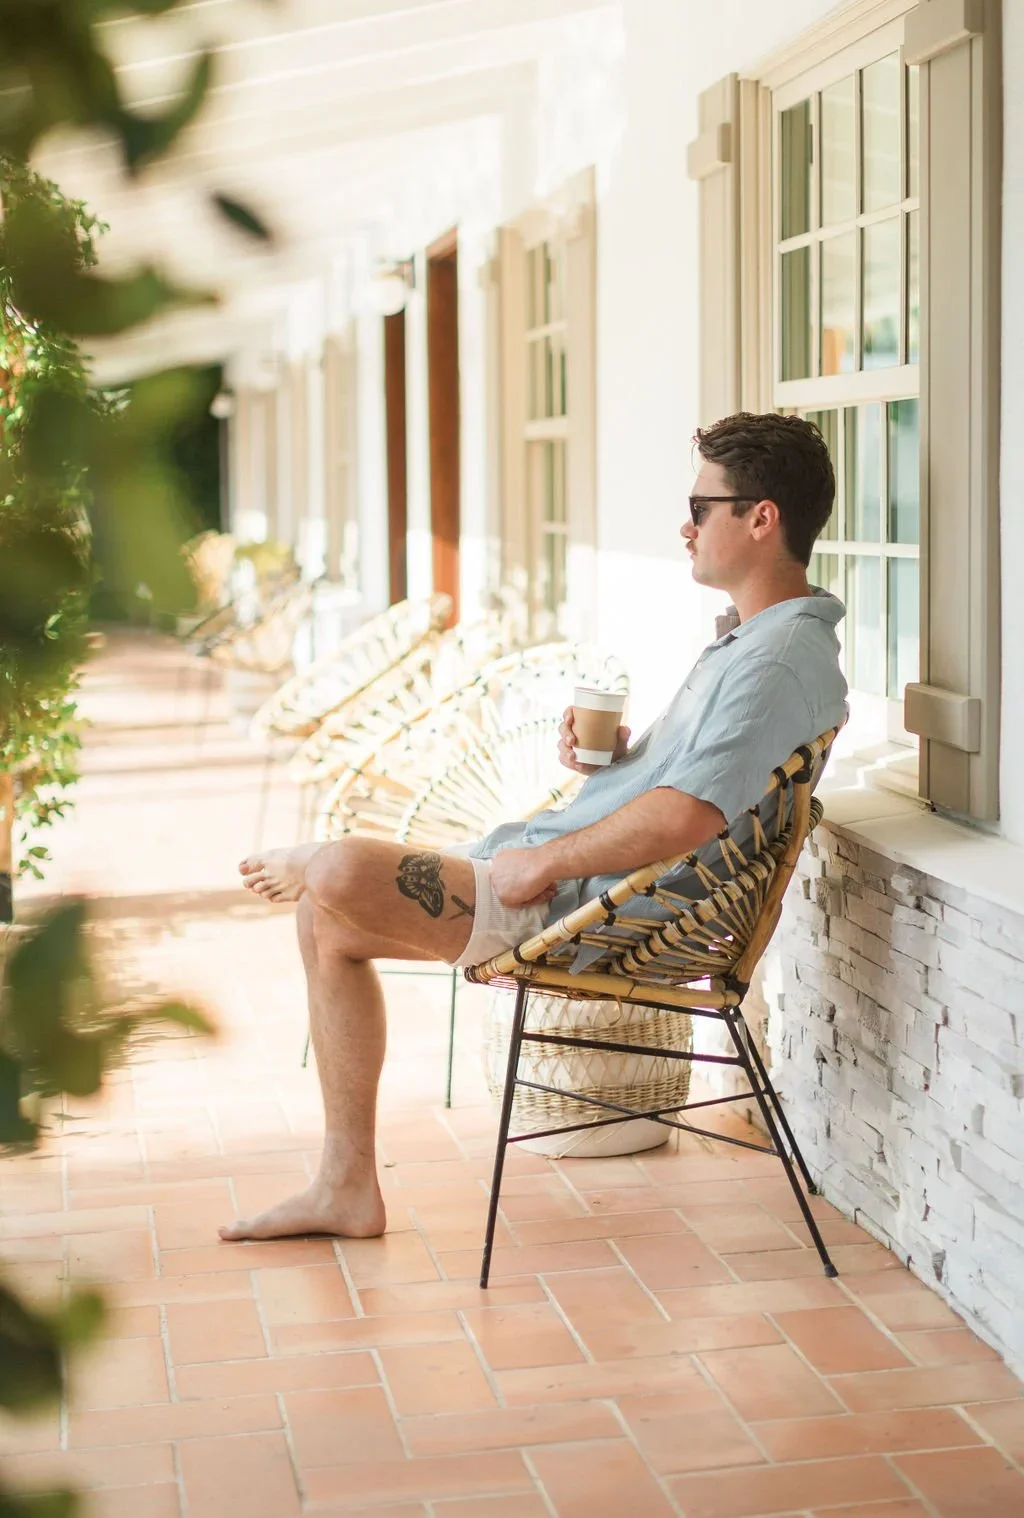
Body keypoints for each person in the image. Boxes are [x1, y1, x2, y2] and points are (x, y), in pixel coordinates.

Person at [219, 411, 848, 1243]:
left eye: (702, 506)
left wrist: (541, 861)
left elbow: (686, 815)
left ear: (760, 517)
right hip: (575, 880)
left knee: (336, 873)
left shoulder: (775, 660)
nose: (685, 525)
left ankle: (322, 872)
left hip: (589, 909)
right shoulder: (753, 643)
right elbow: (680, 787)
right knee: (325, 919)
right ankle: (345, 1186)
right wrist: (611, 763)